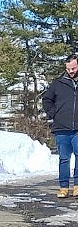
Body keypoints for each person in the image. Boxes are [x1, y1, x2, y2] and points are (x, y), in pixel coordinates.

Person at [41, 53, 78, 198]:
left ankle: (76, 186)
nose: (71, 71)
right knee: (64, 158)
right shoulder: (58, 83)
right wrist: (53, 114)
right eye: (68, 69)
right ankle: (63, 187)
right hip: (62, 127)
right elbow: (46, 99)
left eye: (73, 68)